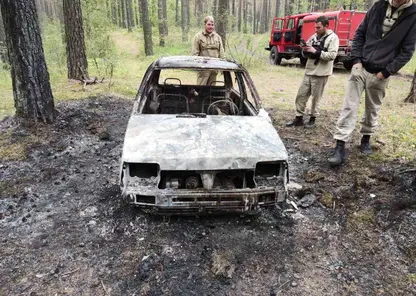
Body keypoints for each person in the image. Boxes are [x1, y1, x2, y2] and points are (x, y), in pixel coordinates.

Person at [328, 0, 416, 166]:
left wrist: (386, 72)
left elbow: (407, 51)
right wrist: (356, 60)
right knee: (349, 106)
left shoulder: (413, 14)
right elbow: (360, 33)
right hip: (360, 67)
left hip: (381, 72)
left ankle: (365, 139)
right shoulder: (379, 5)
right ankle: (340, 145)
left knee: (372, 108)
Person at [286, 16, 339, 128]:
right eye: (315, 27)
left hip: (321, 73)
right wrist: (305, 49)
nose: (316, 30)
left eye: (318, 27)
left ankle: (312, 119)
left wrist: (316, 51)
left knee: (316, 98)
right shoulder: (314, 37)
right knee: (301, 95)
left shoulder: (333, 38)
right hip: (309, 71)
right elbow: (306, 52)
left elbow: (332, 55)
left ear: (326, 26)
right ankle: (298, 118)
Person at [192, 16, 225, 85]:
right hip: (203, 70)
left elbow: (221, 53)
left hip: (214, 69)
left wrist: (222, 68)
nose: (211, 27)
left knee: (212, 91)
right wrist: (198, 67)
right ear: (204, 25)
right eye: (209, 24)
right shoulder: (198, 37)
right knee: (201, 90)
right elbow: (195, 54)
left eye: (212, 25)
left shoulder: (218, 37)